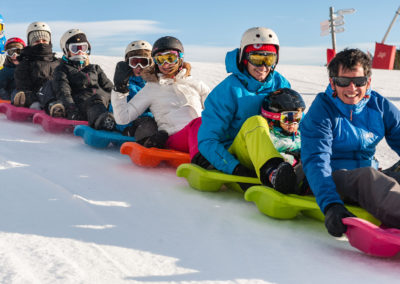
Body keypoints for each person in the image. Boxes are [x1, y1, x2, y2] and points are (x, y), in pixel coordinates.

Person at [300, 48, 400, 237]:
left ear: (368, 82)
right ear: (333, 83)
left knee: (383, 176)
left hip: (369, 176)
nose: (352, 88)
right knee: (367, 177)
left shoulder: (378, 105)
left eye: (359, 81)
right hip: (331, 177)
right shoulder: (322, 110)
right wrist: (331, 204)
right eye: (344, 82)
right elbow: (316, 160)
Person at [196, 27, 296, 194]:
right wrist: (235, 169)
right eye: (257, 58)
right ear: (244, 58)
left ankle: (299, 172)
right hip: (240, 156)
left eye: (269, 59)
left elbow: (296, 117)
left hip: (276, 146)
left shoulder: (280, 84)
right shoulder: (227, 91)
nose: (263, 67)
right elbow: (207, 140)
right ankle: (273, 171)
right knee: (256, 122)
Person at [112, 36, 210, 155]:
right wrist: (120, 89)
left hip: (203, 135)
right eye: (160, 59)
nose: (165, 64)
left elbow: (216, 111)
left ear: (180, 57)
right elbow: (123, 118)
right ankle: (202, 159)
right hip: (175, 137)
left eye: (170, 58)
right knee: (198, 124)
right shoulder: (151, 88)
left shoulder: (196, 84)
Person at [46, 28, 115, 130]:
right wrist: (71, 109)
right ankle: (104, 121)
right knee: (96, 100)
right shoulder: (62, 70)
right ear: (66, 50)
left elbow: (110, 88)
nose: (80, 52)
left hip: (103, 101)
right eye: (75, 48)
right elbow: (63, 92)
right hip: (82, 105)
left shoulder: (95, 68)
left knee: (106, 99)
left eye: (83, 48)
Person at [260, 88, 308, 191]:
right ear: (274, 118)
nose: (293, 123)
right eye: (288, 118)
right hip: (286, 168)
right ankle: (285, 181)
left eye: (297, 118)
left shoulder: (299, 134)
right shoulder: (270, 136)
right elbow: (270, 154)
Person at [111, 40, 156, 137]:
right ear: (127, 64)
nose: (139, 67)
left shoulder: (155, 84)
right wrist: (127, 129)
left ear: (150, 63)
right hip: (137, 124)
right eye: (134, 62)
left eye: (143, 62)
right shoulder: (126, 87)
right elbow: (117, 112)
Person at [11, 21, 60, 109]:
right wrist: (29, 97)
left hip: (57, 97)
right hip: (34, 97)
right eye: (37, 41)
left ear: (49, 42)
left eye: (44, 40)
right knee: (18, 93)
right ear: (30, 43)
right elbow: (22, 84)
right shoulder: (25, 63)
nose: (41, 43)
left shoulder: (57, 62)